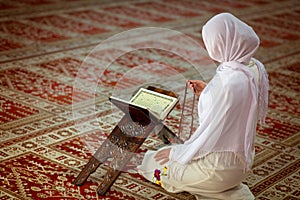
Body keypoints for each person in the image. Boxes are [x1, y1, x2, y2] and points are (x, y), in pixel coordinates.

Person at [137, 12, 269, 200]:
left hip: (215, 170)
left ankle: (226, 192)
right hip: (242, 164)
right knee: (165, 155)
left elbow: (209, 132)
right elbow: (234, 104)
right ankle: (226, 188)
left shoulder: (225, 82)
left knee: (153, 163)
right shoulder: (254, 68)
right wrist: (208, 91)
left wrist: (176, 153)